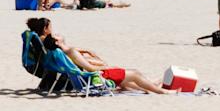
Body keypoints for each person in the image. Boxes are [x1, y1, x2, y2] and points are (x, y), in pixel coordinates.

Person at [25, 17, 173, 93]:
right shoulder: (70, 52)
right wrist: (103, 67)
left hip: (86, 77)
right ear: (57, 42)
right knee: (134, 73)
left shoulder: (58, 52)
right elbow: (89, 69)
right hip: (94, 78)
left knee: (126, 77)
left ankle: (150, 86)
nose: (57, 34)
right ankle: (161, 91)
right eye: (56, 34)